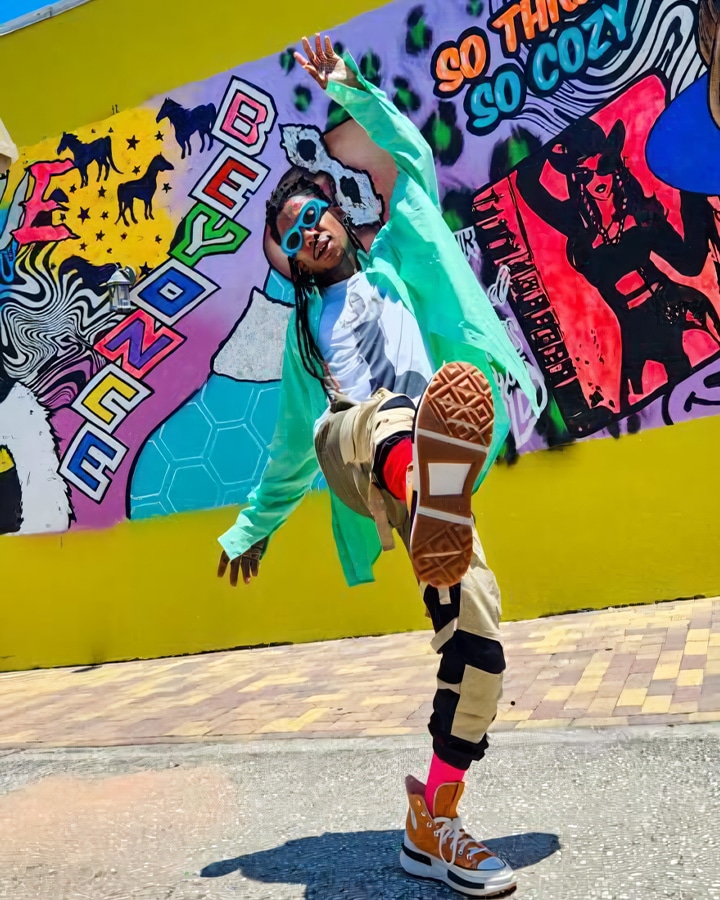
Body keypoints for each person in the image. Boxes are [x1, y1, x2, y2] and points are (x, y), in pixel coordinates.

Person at [218, 34, 542, 898]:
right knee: (392, 416)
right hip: (358, 456)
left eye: (313, 216)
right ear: (289, 262)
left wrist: (347, 87)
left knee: (478, 653)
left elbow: (404, 153)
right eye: (290, 234)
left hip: (428, 490)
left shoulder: (395, 263)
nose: (307, 231)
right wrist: (252, 526)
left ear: (337, 217)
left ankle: (434, 820)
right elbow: (291, 451)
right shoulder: (304, 337)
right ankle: (428, 476)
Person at [515, 118, 720, 412]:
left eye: (604, 167)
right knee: (637, 412)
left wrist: (690, 186)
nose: (598, 180)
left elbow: (689, 261)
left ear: (615, 164)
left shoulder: (640, 213)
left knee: (692, 397)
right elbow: (526, 184)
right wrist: (547, 132)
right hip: (630, 326)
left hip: (672, 311)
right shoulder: (577, 225)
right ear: (576, 178)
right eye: (585, 174)